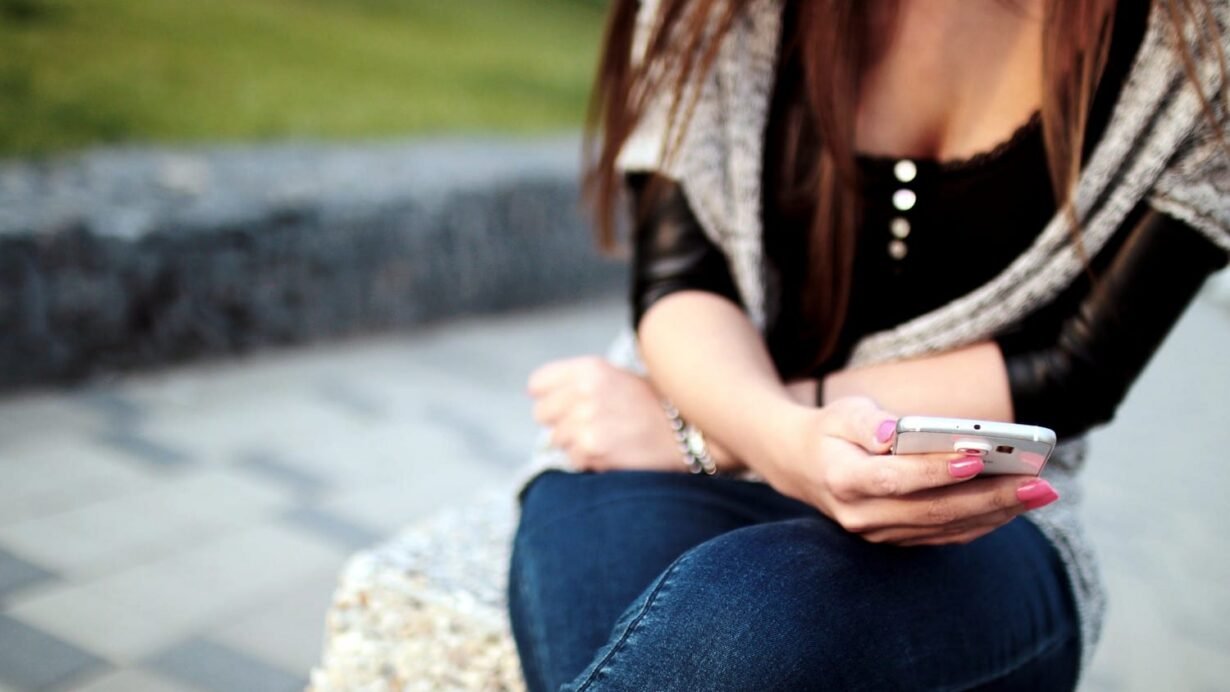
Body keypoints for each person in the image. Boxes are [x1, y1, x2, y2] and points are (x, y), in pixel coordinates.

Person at [509, 1, 1229, 689]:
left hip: (972, 512)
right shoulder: (715, 8)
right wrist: (778, 438)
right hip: (672, 448)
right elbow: (681, 280)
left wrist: (705, 433)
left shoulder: (1202, 45)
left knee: (744, 619)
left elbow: (1076, 369)